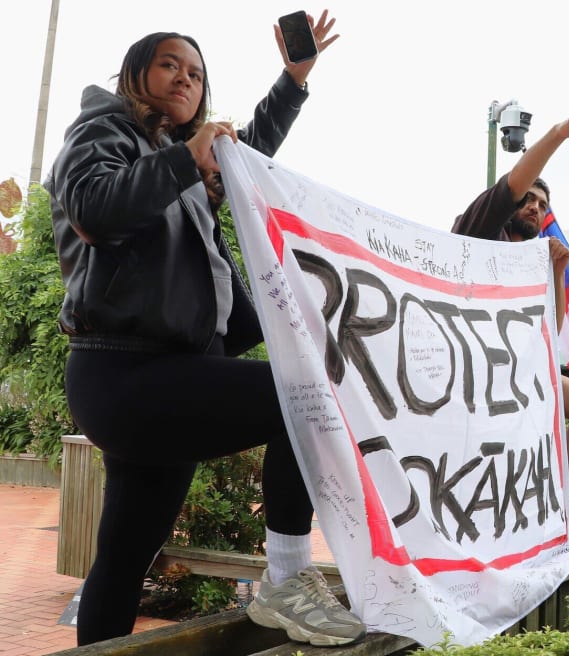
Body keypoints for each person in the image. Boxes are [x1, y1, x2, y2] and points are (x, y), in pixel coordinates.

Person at [45, 12, 366, 647]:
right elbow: (92, 209)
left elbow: (245, 160)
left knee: (123, 561)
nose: (185, 79)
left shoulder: (178, 164)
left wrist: (293, 79)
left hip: (171, 375)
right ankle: (287, 579)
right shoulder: (102, 129)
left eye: (196, 73)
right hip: (122, 369)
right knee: (302, 398)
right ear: (136, 72)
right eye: (170, 65)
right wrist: (185, 161)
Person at [451, 104, 569, 552]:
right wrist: (561, 133)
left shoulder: (535, 262)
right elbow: (513, 182)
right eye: (529, 200)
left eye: (543, 206)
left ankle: (556, 517)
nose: (535, 208)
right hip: (468, 374)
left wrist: (558, 275)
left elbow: (546, 335)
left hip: (518, 375)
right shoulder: (480, 231)